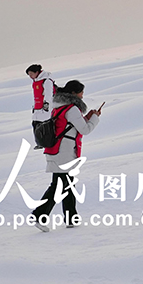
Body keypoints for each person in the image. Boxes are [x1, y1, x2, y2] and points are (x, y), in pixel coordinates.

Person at [30, 80, 100, 231]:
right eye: (81, 92)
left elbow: (70, 125)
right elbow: (85, 130)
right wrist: (95, 119)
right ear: (74, 93)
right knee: (59, 186)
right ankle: (39, 215)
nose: (82, 95)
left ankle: (71, 218)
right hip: (64, 153)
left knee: (67, 185)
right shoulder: (73, 109)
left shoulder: (59, 106)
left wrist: (87, 116)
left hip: (56, 150)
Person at [26, 64, 55, 141]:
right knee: (36, 124)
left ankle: (47, 141)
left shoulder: (46, 81)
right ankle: (40, 142)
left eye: (31, 74)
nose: (30, 76)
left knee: (45, 124)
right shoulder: (36, 82)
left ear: (37, 72)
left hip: (44, 108)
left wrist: (46, 105)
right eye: (29, 75)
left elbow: (48, 94)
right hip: (37, 107)